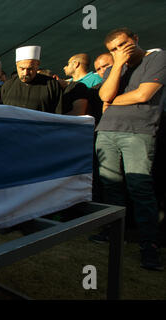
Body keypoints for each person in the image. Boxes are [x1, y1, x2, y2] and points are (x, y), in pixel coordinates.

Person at [94, 27, 165, 271]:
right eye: (113, 49)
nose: (119, 51)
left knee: (140, 187)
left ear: (135, 39)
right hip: (106, 131)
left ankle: (149, 244)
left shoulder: (157, 58)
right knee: (110, 185)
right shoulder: (117, 66)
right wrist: (117, 65)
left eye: (123, 44)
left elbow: (144, 94)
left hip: (139, 132)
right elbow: (103, 93)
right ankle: (113, 233)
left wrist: (111, 101)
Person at [0, 45, 62, 113]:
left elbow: (59, 113)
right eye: (22, 69)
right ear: (16, 65)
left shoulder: (51, 85)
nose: (25, 73)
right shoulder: (7, 86)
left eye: (30, 69)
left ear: (37, 65)